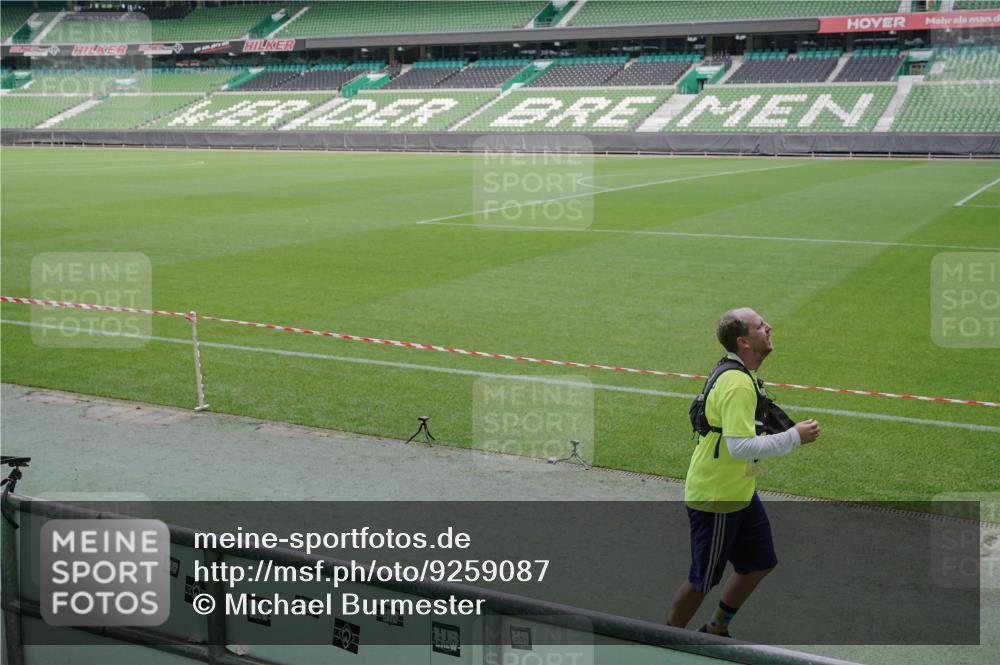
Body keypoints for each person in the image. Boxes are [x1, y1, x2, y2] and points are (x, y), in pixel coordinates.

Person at [666, 307, 821, 637]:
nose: (768, 326)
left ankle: (715, 628)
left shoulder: (738, 373)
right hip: (718, 496)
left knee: (760, 561)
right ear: (743, 342)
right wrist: (795, 437)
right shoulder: (737, 384)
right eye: (759, 325)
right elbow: (739, 447)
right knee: (703, 579)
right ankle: (663, 640)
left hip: (739, 491)